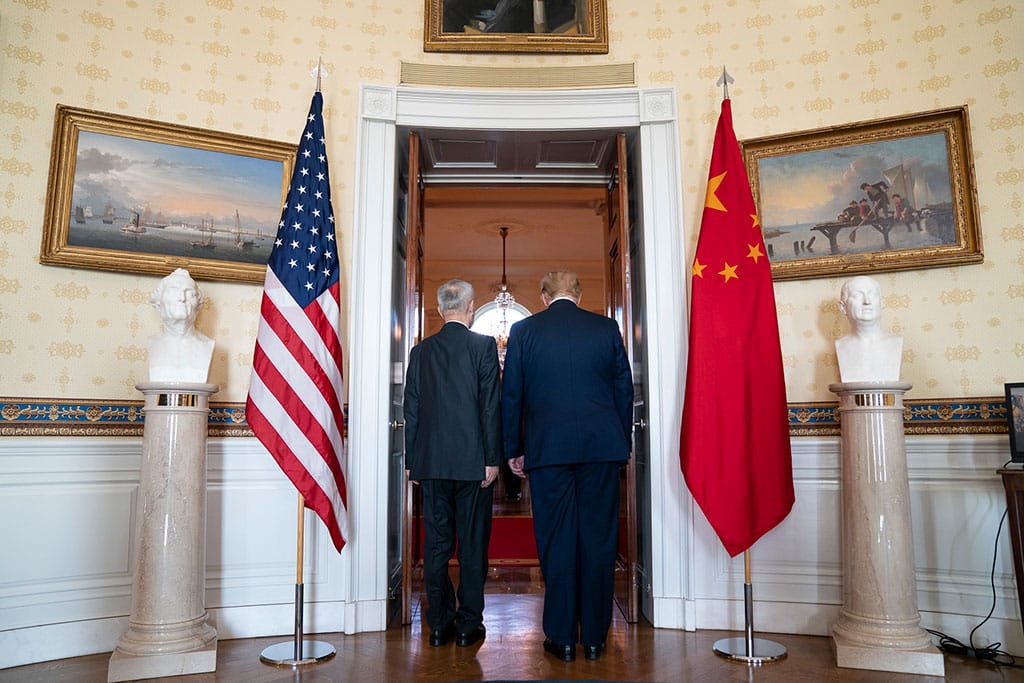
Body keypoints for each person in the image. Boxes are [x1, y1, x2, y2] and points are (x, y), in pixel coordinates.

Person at [501, 270, 633, 663]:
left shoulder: (525, 331)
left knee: (556, 542)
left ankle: (560, 638)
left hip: (548, 452)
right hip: (601, 450)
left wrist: (514, 449)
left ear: (544, 297)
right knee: (599, 542)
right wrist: (619, 441)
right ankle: (593, 638)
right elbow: (623, 389)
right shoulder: (606, 327)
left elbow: (513, 396)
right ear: (579, 294)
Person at [404, 279, 501, 648]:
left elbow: (410, 408)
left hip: (430, 463)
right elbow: (490, 407)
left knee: (436, 546)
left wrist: (413, 460)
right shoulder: (483, 346)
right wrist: (492, 460)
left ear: (441, 309)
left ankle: (440, 623)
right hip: (474, 463)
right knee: (473, 545)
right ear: (471, 307)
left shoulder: (421, 351)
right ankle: (467, 625)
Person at [147, 268, 214, 383]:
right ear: (158, 302)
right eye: (173, 291)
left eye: (189, 293)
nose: (182, 298)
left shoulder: (208, 345)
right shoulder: (151, 343)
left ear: (198, 305)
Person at [835, 275, 903, 382]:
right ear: (843, 307)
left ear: (882, 303)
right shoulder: (840, 346)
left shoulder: (896, 342)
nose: (867, 301)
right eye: (857, 295)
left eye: (873, 295)